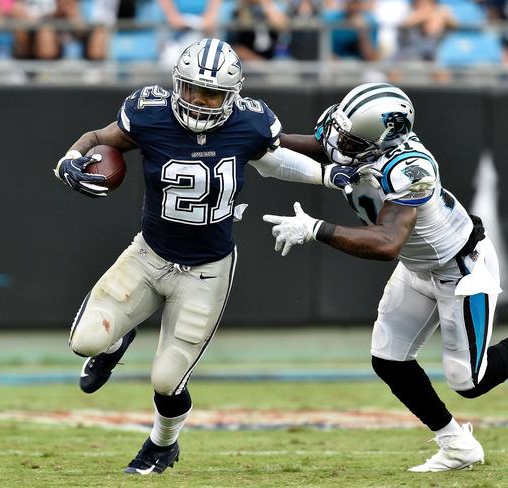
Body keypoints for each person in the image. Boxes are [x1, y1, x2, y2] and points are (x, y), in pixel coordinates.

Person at [53, 38, 295, 474]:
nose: (199, 102)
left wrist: (336, 174)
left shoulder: (251, 124)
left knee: (167, 380)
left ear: (233, 96)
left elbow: (278, 160)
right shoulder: (149, 113)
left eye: (212, 94)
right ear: (175, 84)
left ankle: (162, 445)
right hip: (149, 255)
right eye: (191, 90)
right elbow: (98, 138)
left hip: (206, 270)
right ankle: (116, 341)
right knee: (84, 342)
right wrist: (70, 158)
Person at [261, 82, 508, 472]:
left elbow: (387, 242)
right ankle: (457, 445)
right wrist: (253, 133)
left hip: (460, 269)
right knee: (389, 359)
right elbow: (306, 146)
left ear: (379, 139)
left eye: (349, 137)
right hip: (418, 266)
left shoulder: (410, 168)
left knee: (469, 382)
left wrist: (317, 229)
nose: (334, 140)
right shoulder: (365, 142)